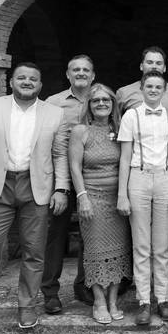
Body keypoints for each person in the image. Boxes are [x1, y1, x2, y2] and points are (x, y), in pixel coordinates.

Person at [0, 62, 70, 333]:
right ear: (11, 81)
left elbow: (59, 154)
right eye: (22, 77)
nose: (27, 82)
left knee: (34, 250)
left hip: (36, 187)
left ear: (41, 85)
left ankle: (27, 306)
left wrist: (61, 188)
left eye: (33, 78)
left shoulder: (54, 114)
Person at [117, 70, 168, 326]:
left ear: (164, 90)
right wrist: (122, 193)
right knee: (141, 244)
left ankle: (162, 300)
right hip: (139, 178)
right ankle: (144, 301)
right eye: (149, 86)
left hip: (166, 178)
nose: (154, 90)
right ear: (143, 89)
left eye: (158, 87)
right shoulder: (131, 115)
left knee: (162, 245)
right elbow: (125, 157)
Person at [68, 83, 131, 324]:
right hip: (91, 197)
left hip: (119, 198)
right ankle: (98, 300)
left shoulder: (120, 129)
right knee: (95, 252)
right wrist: (81, 196)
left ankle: (113, 300)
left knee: (119, 250)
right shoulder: (81, 131)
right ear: (90, 106)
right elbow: (75, 167)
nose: (102, 104)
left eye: (106, 100)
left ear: (113, 104)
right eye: (96, 101)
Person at [42, 54, 95, 311]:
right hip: (60, 177)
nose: (81, 73)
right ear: (68, 74)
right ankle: (50, 291)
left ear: (93, 75)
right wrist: (59, 186)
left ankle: (84, 286)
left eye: (86, 70)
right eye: (76, 70)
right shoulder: (53, 103)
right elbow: (49, 144)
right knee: (56, 234)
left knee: (90, 234)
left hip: (93, 178)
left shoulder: (102, 100)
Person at [115, 46, 168, 114]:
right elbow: (115, 121)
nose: (154, 67)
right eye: (149, 62)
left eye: (158, 63)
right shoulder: (124, 93)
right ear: (141, 66)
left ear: (164, 68)